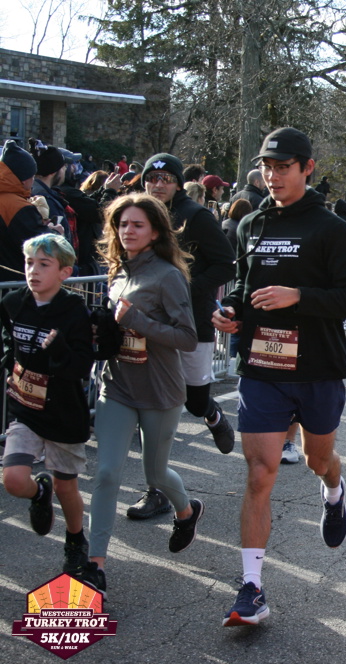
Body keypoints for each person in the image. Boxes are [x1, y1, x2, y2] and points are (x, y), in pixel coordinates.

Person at [212, 127, 346, 626]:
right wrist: (231, 312)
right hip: (262, 368)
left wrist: (298, 296)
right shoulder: (250, 225)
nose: (273, 176)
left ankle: (334, 491)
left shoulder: (331, 229)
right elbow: (244, 286)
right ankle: (251, 588)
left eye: (283, 167)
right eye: (267, 167)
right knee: (260, 472)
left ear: (307, 168)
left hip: (317, 369)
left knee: (318, 459)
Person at [88, 194, 204, 596]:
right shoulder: (117, 272)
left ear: (155, 232)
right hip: (117, 386)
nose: (128, 231)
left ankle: (186, 511)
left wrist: (136, 319)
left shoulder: (168, 276)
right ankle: (95, 565)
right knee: (106, 473)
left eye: (137, 224)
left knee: (155, 475)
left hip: (159, 391)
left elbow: (187, 338)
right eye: (122, 224)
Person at [127, 152, 237, 521]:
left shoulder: (195, 216)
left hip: (190, 322)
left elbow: (226, 263)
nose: (157, 185)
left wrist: (185, 289)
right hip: (147, 325)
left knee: (194, 400)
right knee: (154, 407)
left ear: (177, 183)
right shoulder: (137, 214)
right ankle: (156, 490)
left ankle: (212, 413)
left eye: (165, 178)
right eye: (151, 178)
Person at [1, 234, 94, 583]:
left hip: (63, 412)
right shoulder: (13, 302)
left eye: (44, 264)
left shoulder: (73, 310)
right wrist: (9, 361)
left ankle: (75, 540)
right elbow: (10, 341)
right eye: (29, 263)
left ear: (64, 272)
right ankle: (38, 492)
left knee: (66, 488)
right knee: (13, 480)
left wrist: (58, 351)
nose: (33, 271)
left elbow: (82, 365)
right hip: (25, 407)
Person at [0, 140, 51, 281]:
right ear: (23, 179)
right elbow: (41, 244)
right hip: (14, 282)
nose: (33, 181)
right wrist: (55, 232)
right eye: (32, 176)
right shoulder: (18, 207)